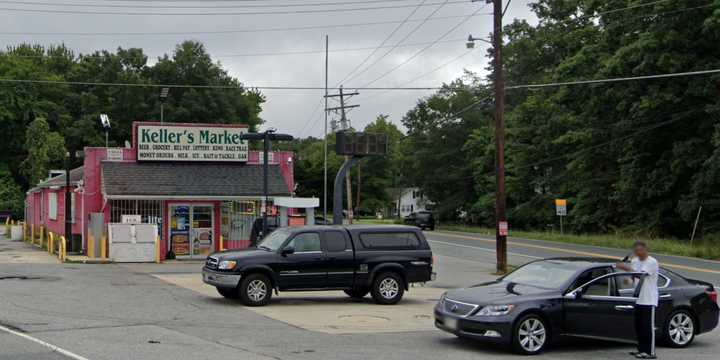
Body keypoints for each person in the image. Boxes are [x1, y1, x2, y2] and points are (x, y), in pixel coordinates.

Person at [616, 241, 659, 359]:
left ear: (646, 250)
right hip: (638, 299)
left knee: (647, 326)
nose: (638, 253)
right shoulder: (635, 261)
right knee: (638, 326)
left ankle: (650, 352)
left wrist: (625, 268)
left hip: (648, 299)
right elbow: (633, 277)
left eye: (640, 250)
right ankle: (641, 350)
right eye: (636, 250)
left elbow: (641, 275)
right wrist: (628, 281)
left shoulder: (652, 262)